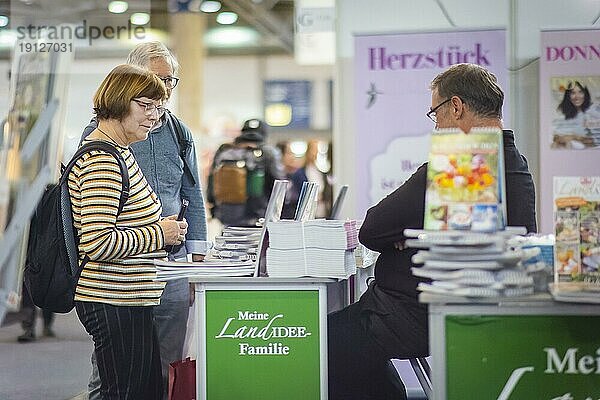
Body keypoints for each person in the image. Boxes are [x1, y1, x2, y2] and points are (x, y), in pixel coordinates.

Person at [327, 63, 537, 400]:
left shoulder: (452, 169)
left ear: (456, 107)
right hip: (479, 310)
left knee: (326, 345)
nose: (436, 125)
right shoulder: (517, 167)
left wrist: (408, 236)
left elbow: (372, 230)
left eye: (435, 113)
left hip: (417, 312)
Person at [81, 42, 210, 400]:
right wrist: (160, 234)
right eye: (151, 94)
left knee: (160, 367)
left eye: (171, 82)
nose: (164, 93)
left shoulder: (178, 132)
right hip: (117, 281)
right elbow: (97, 238)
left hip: (164, 268)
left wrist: (195, 252)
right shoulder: (103, 148)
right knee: (115, 378)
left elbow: (191, 191)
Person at [207, 118, 285, 226]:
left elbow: (212, 181)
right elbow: (280, 186)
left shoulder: (224, 150)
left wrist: (214, 208)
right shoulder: (268, 152)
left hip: (227, 216)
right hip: (258, 217)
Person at [552, 81, 600, 149]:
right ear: (568, 95)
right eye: (573, 93)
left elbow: (596, 140)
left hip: (589, 150)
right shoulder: (564, 112)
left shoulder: (593, 111)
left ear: (585, 94)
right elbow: (555, 136)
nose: (577, 96)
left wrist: (574, 137)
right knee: (556, 145)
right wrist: (560, 138)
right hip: (566, 146)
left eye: (580, 92)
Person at [276, 141, 306, 219]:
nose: (292, 157)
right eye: (289, 153)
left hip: (295, 219)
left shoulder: (298, 175)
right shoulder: (275, 177)